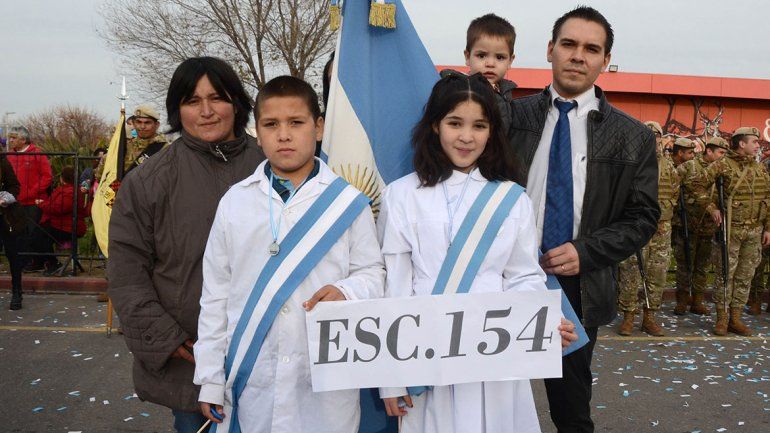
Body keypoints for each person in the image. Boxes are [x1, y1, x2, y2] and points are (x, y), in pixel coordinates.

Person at [378, 73, 577, 433]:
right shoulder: (401, 195)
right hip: (426, 350)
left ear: (492, 132)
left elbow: (523, 275)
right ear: (435, 125)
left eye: (479, 126)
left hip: (494, 354)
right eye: (455, 123)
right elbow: (395, 285)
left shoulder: (512, 197)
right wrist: (392, 376)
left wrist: (542, 322)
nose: (467, 137)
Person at [194, 75, 385, 433]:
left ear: (318, 128)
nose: (284, 134)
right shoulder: (235, 201)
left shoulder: (348, 203)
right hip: (251, 375)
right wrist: (209, 377)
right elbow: (216, 294)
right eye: (271, 124)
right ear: (257, 130)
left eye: (296, 122)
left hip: (322, 377)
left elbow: (373, 272)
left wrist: (348, 291)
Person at [507, 7, 660, 432]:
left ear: (604, 61)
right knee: (491, 397)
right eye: (569, 44)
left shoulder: (633, 137)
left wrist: (585, 251)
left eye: (591, 49)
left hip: (574, 283)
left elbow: (643, 217)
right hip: (501, 276)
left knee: (571, 409)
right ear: (550, 50)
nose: (578, 56)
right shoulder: (507, 118)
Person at [107, 56, 266, 433]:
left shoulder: (275, 166)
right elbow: (127, 273)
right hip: (191, 362)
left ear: (238, 103)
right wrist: (169, 340)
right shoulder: (148, 182)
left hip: (272, 357)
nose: (207, 111)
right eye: (192, 101)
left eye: (218, 98)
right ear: (177, 109)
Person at [691, 126, 770, 336]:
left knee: (745, 276)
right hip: (730, 231)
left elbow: (768, 199)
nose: (757, 145)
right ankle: (722, 318)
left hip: (754, 231)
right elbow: (696, 184)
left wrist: (768, 228)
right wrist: (712, 208)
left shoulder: (760, 168)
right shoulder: (723, 165)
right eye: (754, 141)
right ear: (742, 144)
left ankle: (735, 318)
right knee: (725, 274)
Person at [616, 121, 679, 336]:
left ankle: (649, 317)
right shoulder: (630, 163)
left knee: (657, 273)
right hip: (635, 226)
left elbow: (674, 193)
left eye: (657, 135)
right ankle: (628, 317)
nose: (653, 138)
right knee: (630, 271)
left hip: (661, 227)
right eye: (648, 134)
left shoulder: (668, 166)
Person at [674, 136, 729, 315]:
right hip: (687, 225)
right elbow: (673, 186)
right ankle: (682, 300)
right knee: (684, 264)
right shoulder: (690, 166)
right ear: (709, 151)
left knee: (702, 266)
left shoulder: (722, 170)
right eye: (720, 153)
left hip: (708, 227)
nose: (723, 157)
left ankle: (697, 301)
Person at [5, 125, 53, 271]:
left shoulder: (37, 154)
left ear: (23, 140)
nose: (11, 140)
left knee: (32, 232)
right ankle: (23, 261)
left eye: (14, 138)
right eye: (10, 138)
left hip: (33, 201)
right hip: (14, 201)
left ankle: (36, 261)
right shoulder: (9, 156)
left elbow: (47, 177)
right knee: (17, 232)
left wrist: (31, 192)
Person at [462, 13, 517, 133]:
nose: (490, 64)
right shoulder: (459, 90)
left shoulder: (506, 93)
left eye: (500, 57)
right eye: (481, 55)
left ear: (510, 61)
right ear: (467, 57)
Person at [32, 166, 89, 276]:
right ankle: (47, 262)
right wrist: (45, 204)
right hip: (62, 224)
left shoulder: (70, 192)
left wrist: (41, 204)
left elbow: (59, 208)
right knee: (40, 234)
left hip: (67, 227)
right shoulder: (70, 190)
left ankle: (53, 263)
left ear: (63, 178)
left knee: (39, 236)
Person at [96, 105, 168, 180]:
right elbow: (100, 176)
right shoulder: (124, 147)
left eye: (147, 123)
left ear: (157, 125)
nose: (142, 126)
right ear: (133, 123)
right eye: (138, 122)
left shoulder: (166, 149)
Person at [0, 153, 25, 309]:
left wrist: (4, 199)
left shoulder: (3, 163)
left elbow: (15, 186)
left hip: (5, 216)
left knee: (12, 254)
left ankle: (17, 292)